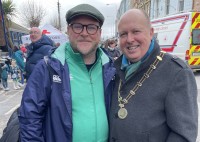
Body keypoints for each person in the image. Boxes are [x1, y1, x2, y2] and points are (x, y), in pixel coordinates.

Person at [19, 4, 115, 142]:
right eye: (77, 26)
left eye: (92, 27)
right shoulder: (48, 67)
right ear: (68, 30)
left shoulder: (110, 69)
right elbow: (29, 118)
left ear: (99, 33)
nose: (84, 32)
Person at [109, 9, 198, 142]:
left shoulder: (176, 73)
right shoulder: (114, 69)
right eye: (123, 34)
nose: (129, 39)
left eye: (136, 31)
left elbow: (183, 135)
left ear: (151, 33)